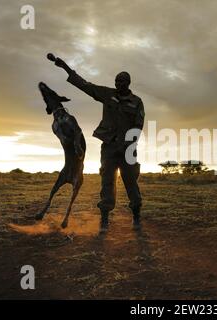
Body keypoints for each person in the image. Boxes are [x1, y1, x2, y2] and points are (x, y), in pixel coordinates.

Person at [48, 54, 145, 231]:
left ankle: (136, 216)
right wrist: (66, 68)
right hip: (108, 147)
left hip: (128, 149)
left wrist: (129, 143)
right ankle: (104, 220)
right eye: (116, 81)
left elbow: (138, 126)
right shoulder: (107, 94)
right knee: (107, 182)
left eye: (121, 81)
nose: (118, 84)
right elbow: (86, 86)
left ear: (128, 83)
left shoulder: (137, 102)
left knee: (131, 182)